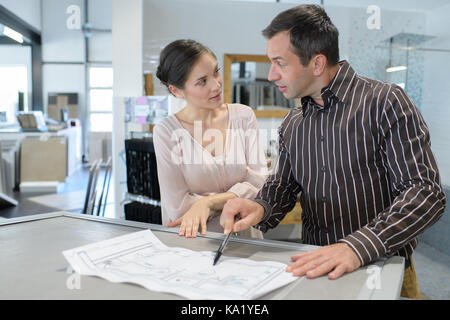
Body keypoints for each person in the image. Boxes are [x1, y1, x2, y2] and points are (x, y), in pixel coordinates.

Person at [220, 4, 446, 299]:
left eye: (280, 63)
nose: (272, 74)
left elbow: (425, 192)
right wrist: (260, 206)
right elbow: (283, 187)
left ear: (316, 64)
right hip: (314, 270)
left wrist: (357, 246)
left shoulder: (385, 102)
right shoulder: (293, 123)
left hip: (381, 268)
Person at [153, 39, 268, 239]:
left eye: (216, 72)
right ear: (177, 90)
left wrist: (206, 203)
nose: (216, 86)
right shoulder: (166, 132)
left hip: (247, 241)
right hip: (194, 245)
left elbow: (260, 183)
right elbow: (178, 208)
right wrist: (238, 196)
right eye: (202, 81)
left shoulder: (243, 116)